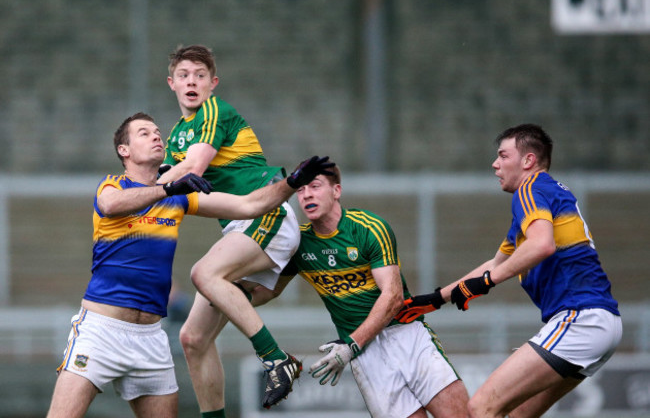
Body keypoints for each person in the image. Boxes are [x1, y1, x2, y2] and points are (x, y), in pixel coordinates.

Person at [46, 112, 333, 418]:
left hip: (151, 339)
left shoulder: (180, 197)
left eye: (158, 132)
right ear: (124, 150)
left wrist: (291, 183)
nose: (157, 136)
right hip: (102, 332)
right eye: (144, 133)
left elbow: (248, 205)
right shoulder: (113, 186)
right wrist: (169, 188)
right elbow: (111, 206)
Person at [396, 124, 622, 418]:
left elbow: (542, 246)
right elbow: (496, 264)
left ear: (527, 161)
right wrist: (438, 298)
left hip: (581, 319)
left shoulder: (531, 188)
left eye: (503, 155)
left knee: (481, 407)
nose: (495, 163)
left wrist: (486, 283)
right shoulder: (541, 200)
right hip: (600, 322)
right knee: (514, 414)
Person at [157, 44, 309, 414]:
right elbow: (162, 182)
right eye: (184, 75)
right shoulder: (177, 133)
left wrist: (151, 188)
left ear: (213, 83)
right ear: (171, 84)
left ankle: (276, 359)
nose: (192, 81)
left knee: (203, 273)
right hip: (239, 229)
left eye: (200, 75)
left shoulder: (214, 111)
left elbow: (191, 169)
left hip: (265, 215)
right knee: (193, 339)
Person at [252, 164, 470, 418]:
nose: (306, 195)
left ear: (337, 191)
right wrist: (225, 295)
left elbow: (393, 296)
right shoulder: (298, 243)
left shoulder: (368, 227)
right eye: (300, 190)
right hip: (366, 359)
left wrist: (351, 345)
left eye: (315, 186)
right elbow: (267, 291)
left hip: (407, 338)